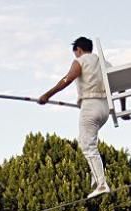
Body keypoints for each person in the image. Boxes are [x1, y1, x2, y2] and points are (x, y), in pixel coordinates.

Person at [38, 36, 111, 198]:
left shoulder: (81, 60)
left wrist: (47, 95)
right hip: (105, 109)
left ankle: (101, 184)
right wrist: (124, 109)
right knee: (89, 141)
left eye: (76, 53)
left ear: (78, 50)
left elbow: (68, 78)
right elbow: (120, 85)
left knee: (87, 145)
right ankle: (95, 174)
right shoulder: (105, 64)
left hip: (90, 106)